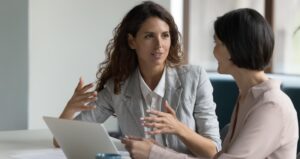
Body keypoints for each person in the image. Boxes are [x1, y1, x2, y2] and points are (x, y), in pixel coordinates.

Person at [122, 8, 299, 159]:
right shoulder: (247, 96)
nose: (213, 50)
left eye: (217, 42)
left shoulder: (271, 105)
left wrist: (154, 153)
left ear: (233, 48)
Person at [55, 1, 221, 157]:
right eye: (149, 36)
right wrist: (69, 109)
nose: (159, 45)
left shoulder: (195, 78)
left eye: (165, 35)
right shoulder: (118, 87)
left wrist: (178, 128)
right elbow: (60, 141)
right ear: (132, 41)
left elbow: (214, 152)